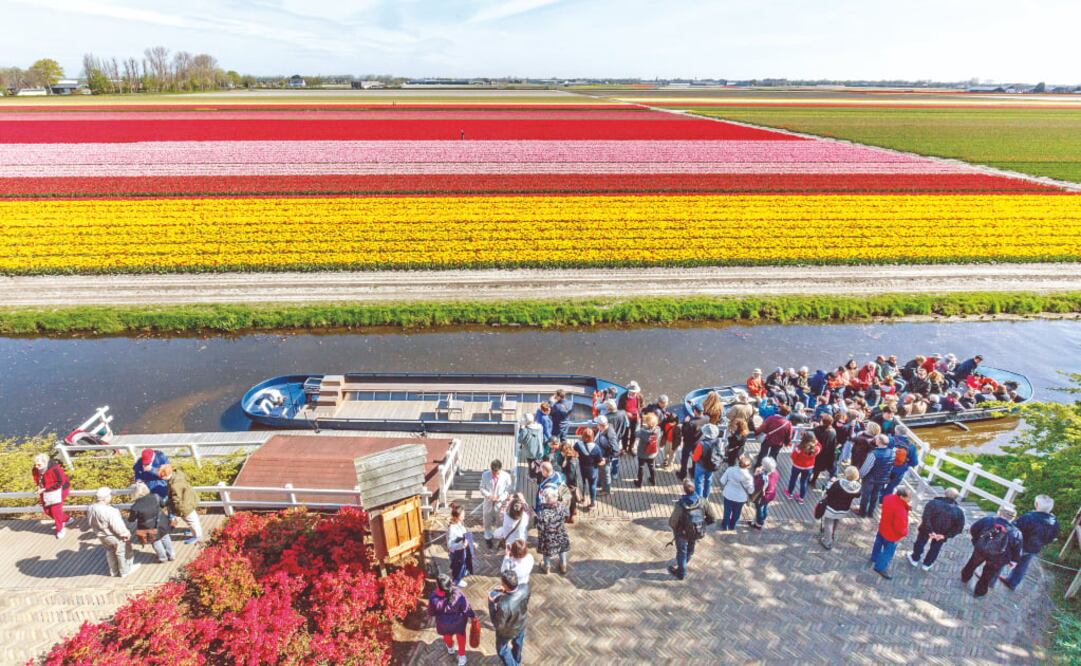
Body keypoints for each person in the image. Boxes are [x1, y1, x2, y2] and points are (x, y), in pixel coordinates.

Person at [962, 505, 1023, 597]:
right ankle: (979, 591)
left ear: (999, 513)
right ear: (1013, 519)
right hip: (999, 557)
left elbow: (974, 529)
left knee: (972, 563)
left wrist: (975, 541)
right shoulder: (1016, 532)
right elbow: (1017, 548)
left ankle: (965, 577)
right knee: (988, 574)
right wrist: (1014, 561)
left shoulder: (988, 520)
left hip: (981, 549)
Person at [1002, 495, 1060, 590]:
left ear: (1036, 504)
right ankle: (1012, 583)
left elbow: (1014, 529)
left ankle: (989, 578)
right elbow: (1053, 536)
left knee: (1002, 558)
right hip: (1035, 548)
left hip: (1020, 545)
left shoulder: (1029, 517)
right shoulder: (1054, 521)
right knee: (1022, 565)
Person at [667, 477, 718, 580]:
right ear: (694, 488)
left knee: (681, 552)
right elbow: (713, 518)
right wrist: (701, 524)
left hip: (682, 533)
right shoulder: (702, 501)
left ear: (684, 490)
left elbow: (672, 522)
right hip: (696, 531)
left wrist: (676, 530)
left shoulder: (680, 504)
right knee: (690, 548)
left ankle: (681, 572)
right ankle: (685, 562)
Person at [908, 488, 965, 571]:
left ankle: (915, 559)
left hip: (926, 529)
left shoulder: (933, 503)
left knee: (920, 542)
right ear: (956, 498)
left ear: (945, 494)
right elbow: (959, 527)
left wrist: (930, 531)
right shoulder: (959, 512)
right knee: (935, 548)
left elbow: (926, 517)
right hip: (942, 533)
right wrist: (944, 536)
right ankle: (927, 564)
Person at [86, 487, 139, 578]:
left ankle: (113, 571)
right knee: (121, 552)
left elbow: (90, 522)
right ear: (105, 498)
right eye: (110, 495)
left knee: (110, 551)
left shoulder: (91, 508)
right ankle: (125, 571)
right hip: (113, 535)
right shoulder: (110, 510)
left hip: (101, 535)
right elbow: (117, 526)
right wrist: (125, 533)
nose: (111, 497)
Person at [429, 573, 475, 666]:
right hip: (459, 623)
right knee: (461, 638)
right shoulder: (458, 593)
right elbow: (466, 608)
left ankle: (450, 648)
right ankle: (461, 656)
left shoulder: (433, 597)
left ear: (438, 585)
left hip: (444, 625)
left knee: (447, 637)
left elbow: (431, 612)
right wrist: (472, 616)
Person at [488, 569, 529, 666]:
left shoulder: (503, 605)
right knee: (518, 644)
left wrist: (491, 603)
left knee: (502, 650)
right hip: (522, 624)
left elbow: (497, 624)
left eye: (502, 583)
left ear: (506, 585)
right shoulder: (525, 587)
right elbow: (523, 602)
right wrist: (506, 592)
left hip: (507, 632)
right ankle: (517, 660)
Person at [870, 486, 912, 579]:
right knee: (888, 552)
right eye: (909, 497)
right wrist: (904, 533)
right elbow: (900, 527)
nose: (910, 498)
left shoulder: (888, 497)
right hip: (892, 535)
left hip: (883, 527)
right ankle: (880, 567)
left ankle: (874, 557)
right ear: (901, 497)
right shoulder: (900, 510)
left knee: (878, 543)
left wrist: (907, 506)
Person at [128, 481, 174, 563]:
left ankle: (163, 558)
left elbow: (131, 520)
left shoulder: (135, 507)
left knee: (155, 541)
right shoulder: (155, 496)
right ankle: (171, 555)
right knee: (165, 537)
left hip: (148, 527)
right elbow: (163, 504)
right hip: (162, 522)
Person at [31, 453, 75, 539]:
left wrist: (45, 489)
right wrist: (38, 486)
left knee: (55, 510)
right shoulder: (35, 469)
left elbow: (60, 482)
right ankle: (67, 519)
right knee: (47, 510)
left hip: (60, 489)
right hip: (45, 489)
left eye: (39, 464)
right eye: (35, 464)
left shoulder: (55, 469)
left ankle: (60, 529)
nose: (36, 466)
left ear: (45, 462)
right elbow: (36, 479)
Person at [819, 466, 862, 550]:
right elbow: (858, 495)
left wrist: (830, 483)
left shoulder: (838, 483)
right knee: (836, 520)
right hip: (844, 509)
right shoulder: (856, 487)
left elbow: (829, 492)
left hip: (832, 507)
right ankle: (832, 534)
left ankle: (827, 542)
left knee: (828, 523)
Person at [158, 464, 203, 545]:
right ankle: (193, 530)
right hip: (190, 499)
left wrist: (177, 511)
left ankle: (197, 536)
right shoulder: (177, 475)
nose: (161, 478)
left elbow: (177, 500)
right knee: (192, 520)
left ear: (166, 475)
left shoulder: (175, 485)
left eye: (162, 476)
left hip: (185, 506)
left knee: (191, 521)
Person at [535, 487, 570, 575]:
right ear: (556, 497)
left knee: (546, 551)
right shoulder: (561, 507)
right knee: (562, 549)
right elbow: (567, 514)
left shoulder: (542, 512)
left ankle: (547, 567)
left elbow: (539, 527)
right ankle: (563, 566)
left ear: (545, 499)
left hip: (548, 537)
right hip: (560, 533)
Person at [857, 435, 894, 519]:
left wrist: (860, 476)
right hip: (882, 478)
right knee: (875, 495)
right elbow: (890, 466)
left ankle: (862, 512)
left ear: (879, 442)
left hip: (870, 479)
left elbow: (866, 468)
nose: (875, 440)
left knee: (865, 495)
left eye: (876, 439)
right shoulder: (892, 452)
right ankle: (871, 513)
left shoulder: (873, 454)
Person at [480, 459, 514, 549]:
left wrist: (500, 497)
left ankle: (500, 540)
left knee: (500, 521)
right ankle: (488, 538)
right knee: (487, 521)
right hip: (488, 502)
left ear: (500, 469)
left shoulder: (506, 476)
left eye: (497, 472)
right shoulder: (485, 475)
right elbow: (481, 488)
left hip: (500, 504)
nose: (495, 474)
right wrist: (489, 496)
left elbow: (509, 490)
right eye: (493, 472)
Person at [717, 455, 755, 532]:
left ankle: (725, 526)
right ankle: (732, 526)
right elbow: (751, 491)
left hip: (728, 494)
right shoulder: (749, 477)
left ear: (738, 463)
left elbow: (722, 481)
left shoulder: (730, 469)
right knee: (737, 512)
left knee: (727, 511)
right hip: (740, 498)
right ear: (748, 466)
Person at [883, 426, 920, 499]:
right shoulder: (911, 446)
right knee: (891, 486)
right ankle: (884, 500)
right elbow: (915, 463)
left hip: (886, 467)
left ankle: (877, 497)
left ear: (896, 432)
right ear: (906, 433)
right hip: (899, 470)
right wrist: (906, 463)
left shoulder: (890, 440)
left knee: (880, 483)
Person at [754, 404, 795, 468]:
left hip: (768, 439)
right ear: (787, 414)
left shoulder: (771, 418)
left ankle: (758, 466)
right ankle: (771, 468)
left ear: (779, 411)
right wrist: (787, 443)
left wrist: (756, 433)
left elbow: (762, 427)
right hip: (778, 442)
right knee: (773, 455)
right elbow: (789, 435)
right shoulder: (788, 423)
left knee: (762, 454)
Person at [785, 432, 820, 504]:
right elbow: (819, 445)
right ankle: (801, 498)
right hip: (809, 468)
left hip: (797, 466)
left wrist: (796, 461)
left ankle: (789, 494)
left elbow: (793, 456)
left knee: (793, 479)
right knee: (804, 482)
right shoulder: (816, 448)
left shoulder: (799, 447)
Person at [691, 423, 722, 500]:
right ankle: (706, 497)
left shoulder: (701, 444)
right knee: (708, 480)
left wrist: (692, 456)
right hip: (712, 464)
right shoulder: (718, 441)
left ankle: (699, 498)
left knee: (698, 482)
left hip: (701, 465)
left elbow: (695, 458)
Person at [574, 428, 604, 508]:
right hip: (592, 470)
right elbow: (599, 461)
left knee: (582, 483)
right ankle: (592, 502)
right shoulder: (596, 448)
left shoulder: (578, 445)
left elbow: (574, 452)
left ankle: (582, 498)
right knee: (592, 485)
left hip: (581, 468)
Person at [748, 457, 780, 529]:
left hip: (762, 497)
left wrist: (756, 474)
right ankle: (763, 518)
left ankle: (759, 524)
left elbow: (756, 485)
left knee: (759, 509)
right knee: (765, 507)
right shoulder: (775, 472)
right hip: (771, 494)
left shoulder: (763, 477)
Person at [447, 503, 473, 587]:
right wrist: (461, 545)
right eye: (463, 514)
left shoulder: (460, 523)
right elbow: (450, 545)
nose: (464, 515)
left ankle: (460, 573)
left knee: (461, 564)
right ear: (457, 516)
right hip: (457, 553)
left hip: (462, 550)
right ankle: (457, 580)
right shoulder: (452, 528)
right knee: (458, 566)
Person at [678, 405, 708, 481]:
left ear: (695, 411)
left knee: (685, 459)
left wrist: (685, 423)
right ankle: (693, 472)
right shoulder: (707, 419)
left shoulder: (691, 423)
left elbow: (684, 432)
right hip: (698, 442)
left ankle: (682, 474)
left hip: (688, 443)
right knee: (696, 458)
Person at [809, 414, 838, 490]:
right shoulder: (833, 431)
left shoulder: (817, 430)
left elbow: (810, 433)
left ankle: (808, 478)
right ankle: (813, 480)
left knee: (811, 466)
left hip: (816, 452)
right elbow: (833, 445)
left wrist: (813, 426)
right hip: (825, 454)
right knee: (818, 468)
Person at [634, 411, 661, 488]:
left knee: (641, 467)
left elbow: (636, 433)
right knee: (652, 466)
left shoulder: (643, 431)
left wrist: (638, 423)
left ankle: (639, 483)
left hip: (642, 453)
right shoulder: (658, 430)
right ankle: (653, 480)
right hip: (652, 453)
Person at [517, 413, 545, 483]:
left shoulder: (525, 430)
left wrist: (522, 429)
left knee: (531, 464)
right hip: (539, 449)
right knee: (538, 462)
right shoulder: (540, 427)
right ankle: (539, 475)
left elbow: (520, 440)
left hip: (530, 451)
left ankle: (532, 477)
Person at [594, 415, 619, 495]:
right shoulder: (603, 429)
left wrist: (606, 459)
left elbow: (615, 450)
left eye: (597, 423)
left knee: (606, 474)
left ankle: (606, 491)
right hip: (601, 456)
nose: (596, 425)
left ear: (601, 425)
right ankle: (600, 483)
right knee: (602, 472)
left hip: (604, 458)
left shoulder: (609, 435)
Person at [558, 441, 581, 521]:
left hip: (569, 484)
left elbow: (570, 476)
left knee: (568, 500)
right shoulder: (574, 457)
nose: (560, 453)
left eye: (561, 452)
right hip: (574, 483)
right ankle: (573, 513)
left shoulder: (570, 462)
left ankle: (569, 516)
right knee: (572, 500)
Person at [618, 381, 644, 454]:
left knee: (634, 434)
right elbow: (619, 408)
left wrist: (638, 412)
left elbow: (642, 406)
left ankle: (631, 448)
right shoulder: (623, 397)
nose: (634, 393)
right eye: (632, 392)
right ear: (629, 390)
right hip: (625, 419)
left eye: (635, 392)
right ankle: (624, 448)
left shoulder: (640, 396)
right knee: (625, 434)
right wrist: (626, 413)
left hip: (635, 418)